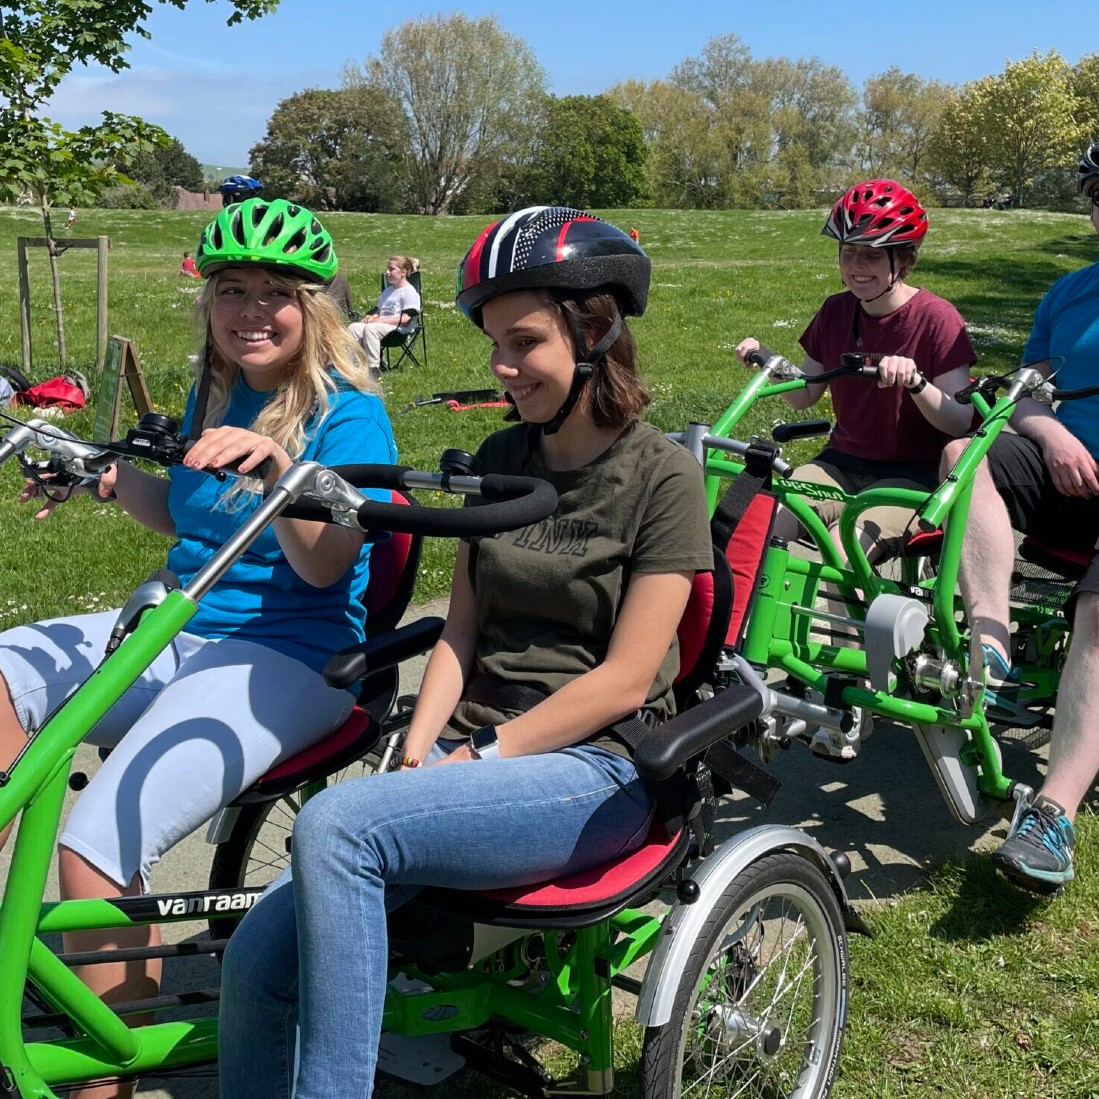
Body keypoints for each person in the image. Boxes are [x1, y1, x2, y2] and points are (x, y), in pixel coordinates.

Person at [217, 206, 715, 1098]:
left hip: (598, 767)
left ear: (594, 331)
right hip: (472, 757)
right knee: (257, 959)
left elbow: (627, 677)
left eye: (523, 341)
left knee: (336, 823)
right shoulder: (502, 455)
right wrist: (417, 750)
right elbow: (460, 629)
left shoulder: (660, 475)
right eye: (493, 340)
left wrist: (473, 757)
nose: (499, 366)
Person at [0, 197, 396, 1098]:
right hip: (183, 625)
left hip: (292, 652)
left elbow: (331, 565)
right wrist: (103, 477)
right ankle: (20, 934)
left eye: (274, 292)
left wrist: (277, 472)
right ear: (207, 301)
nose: (251, 309)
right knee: (4, 664)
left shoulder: (349, 416)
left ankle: (107, 1077)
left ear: (314, 306)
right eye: (231, 290)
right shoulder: (215, 388)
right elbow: (184, 517)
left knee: (97, 839)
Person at [942, 140, 1099, 894]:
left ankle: (1053, 809)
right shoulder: (1067, 292)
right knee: (959, 457)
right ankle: (990, 650)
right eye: (1096, 191)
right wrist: (1051, 431)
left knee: (1097, 619)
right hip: (1067, 473)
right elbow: (1027, 392)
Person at [735, 179, 976, 564]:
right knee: (755, 523)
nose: (857, 267)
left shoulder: (937, 318)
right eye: (848, 253)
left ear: (905, 259)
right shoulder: (836, 311)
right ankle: (748, 621)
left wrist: (916, 383)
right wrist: (768, 361)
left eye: (873, 255)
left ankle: (852, 625)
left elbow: (960, 421)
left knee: (844, 546)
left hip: (914, 475)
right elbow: (804, 394)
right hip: (840, 464)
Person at [347, 254, 421, 375]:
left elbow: (406, 319)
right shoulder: (388, 291)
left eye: (391, 269)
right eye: (387, 268)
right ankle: (352, 366)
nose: (387, 272)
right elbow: (379, 312)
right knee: (353, 328)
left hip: (398, 330)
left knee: (371, 328)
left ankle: (374, 368)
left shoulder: (409, 291)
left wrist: (379, 321)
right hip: (381, 325)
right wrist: (372, 317)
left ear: (402, 272)